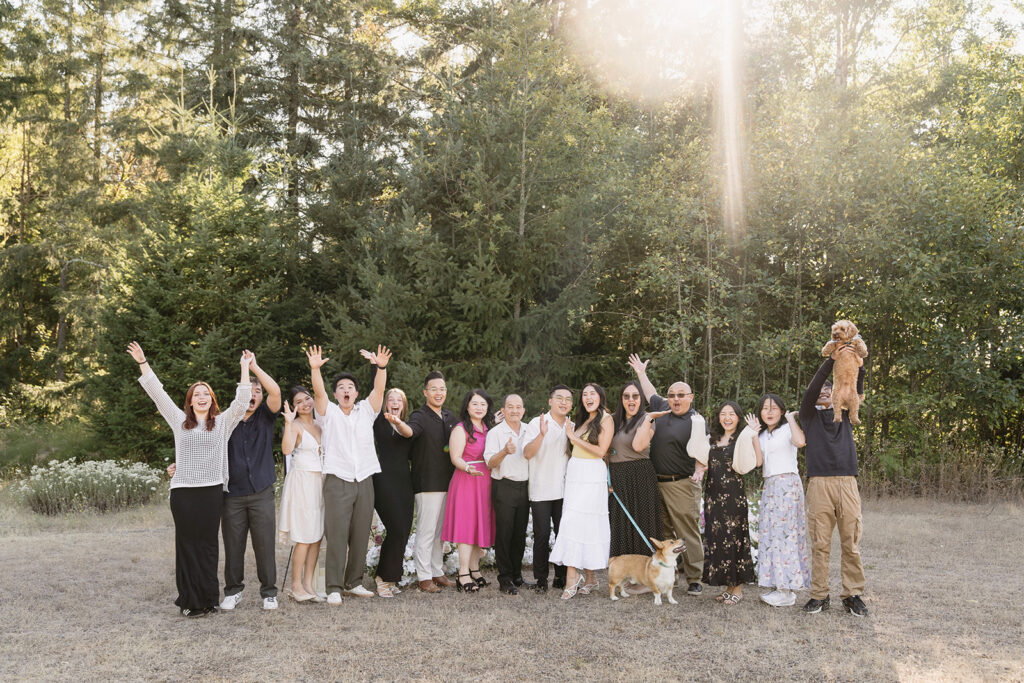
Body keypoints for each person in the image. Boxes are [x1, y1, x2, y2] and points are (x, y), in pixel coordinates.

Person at [128, 341, 252, 617]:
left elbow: (242, 402)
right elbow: (157, 394)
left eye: (205, 393)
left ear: (212, 399)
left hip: (210, 492)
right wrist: (142, 363)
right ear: (190, 400)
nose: (201, 397)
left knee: (207, 545)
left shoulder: (221, 423)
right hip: (183, 492)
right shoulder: (178, 420)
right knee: (187, 546)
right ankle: (190, 602)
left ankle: (209, 599)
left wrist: (244, 368)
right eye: (196, 394)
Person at [307, 344, 390, 604]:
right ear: (336, 393)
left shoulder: (366, 410)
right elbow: (318, 393)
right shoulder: (327, 413)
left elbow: (379, 390)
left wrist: (381, 367)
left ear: (356, 393)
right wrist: (315, 369)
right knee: (337, 534)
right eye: (341, 387)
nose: (346, 390)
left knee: (360, 532)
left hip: (364, 478)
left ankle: (353, 582)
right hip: (337, 479)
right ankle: (333, 587)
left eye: (350, 388)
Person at [627, 354, 709, 596]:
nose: (675, 399)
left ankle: (694, 578)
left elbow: (704, 452)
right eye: (672, 394)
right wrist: (641, 373)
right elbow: (651, 392)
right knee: (662, 534)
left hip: (682, 484)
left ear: (690, 398)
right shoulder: (662, 408)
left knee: (686, 533)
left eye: (681, 395)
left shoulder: (696, 420)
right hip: (656, 482)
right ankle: (665, 574)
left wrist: (700, 469)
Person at [800, 346, 869, 617]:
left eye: (829, 389)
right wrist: (831, 361)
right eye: (821, 391)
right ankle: (819, 595)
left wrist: (858, 364)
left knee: (851, 542)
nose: (824, 391)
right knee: (820, 542)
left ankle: (852, 595)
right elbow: (811, 390)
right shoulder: (809, 417)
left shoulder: (845, 413)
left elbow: (855, 387)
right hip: (819, 485)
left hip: (847, 483)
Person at [219, 354, 282, 612]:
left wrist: (254, 367)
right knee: (233, 546)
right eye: (250, 390)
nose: (255, 394)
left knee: (264, 544)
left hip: (261, 492)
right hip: (231, 494)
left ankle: (269, 593)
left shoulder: (266, 416)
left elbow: (275, 391)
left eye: (258, 391)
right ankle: (233, 591)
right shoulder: (225, 421)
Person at [550, 383, 613, 600]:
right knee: (580, 522)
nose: (588, 397)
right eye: (584, 394)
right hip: (575, 474)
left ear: (600, 397)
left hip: (592, 475)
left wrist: (573, 437)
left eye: (592, 393)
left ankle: (571, 577)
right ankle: (591, 578)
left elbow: (601, 451)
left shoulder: (606, 419)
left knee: (575, 522)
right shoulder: (582, 420)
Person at [751, 393, 810, 607]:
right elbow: (758, 463)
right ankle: (779, 585)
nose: (769, 412)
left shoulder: (787, 428)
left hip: (787, 484)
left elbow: (800, 442)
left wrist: (792, 418)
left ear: (782, 411)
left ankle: (787, 590)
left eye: (774, 408)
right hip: (770, 486)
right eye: (765, 408)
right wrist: (752, 435)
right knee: (771, 535)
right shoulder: (763, 435)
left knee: (787, 535)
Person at [406, 371, 459, 593]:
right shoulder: (419, 416)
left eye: (442, 389)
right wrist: (400, 425)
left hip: (449, 482)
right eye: (434, 389)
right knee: (427, 531)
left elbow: (466, 435)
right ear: (425, 392)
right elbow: (409, 432)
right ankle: (424, 576)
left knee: (440, 533)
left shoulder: (449, 417)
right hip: (427, 483)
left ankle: (437, 572)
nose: (439, 393)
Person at [702, 401, 757, 605]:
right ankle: (727, 586)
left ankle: (738, 588)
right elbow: (703, 463)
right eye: (723, 414)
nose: (727, 417)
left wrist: (754, 435)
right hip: (713, 496)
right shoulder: (712, 439)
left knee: (735, 539)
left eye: (731, 414)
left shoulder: (743, 438)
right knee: (718, 539)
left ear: (738, 417)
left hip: (734, 496)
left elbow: (757, 461)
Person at [442, 389, 496, 592]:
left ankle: (475, 570)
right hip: (467, 478)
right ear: (467, 406)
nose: (479, 408)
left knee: (479, 525)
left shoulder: (488, 428)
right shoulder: (460, 429)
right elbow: (455, 456)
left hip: (485, 481)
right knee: (466, 527)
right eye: (475, 404)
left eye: (483, 404)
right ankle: (462, 573)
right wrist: (467, 468)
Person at [522, 385, 573, 592]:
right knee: (542, 535)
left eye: (568, 399)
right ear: (550, 401)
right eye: (559, 398)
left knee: (563, 534)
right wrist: (542, 434)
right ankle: (541, 579)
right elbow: (526, 453)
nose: (563, 402)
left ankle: (560, 577)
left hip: (565, 490)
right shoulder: (537, 423)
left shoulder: (572, 425)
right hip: (541, 489)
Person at [277, 386, 325, 602]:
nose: (305, 403)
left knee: (316, 537)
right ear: (294, 406)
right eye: (299, 401)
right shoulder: (295, 425)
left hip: (321, 483)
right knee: (304, 537)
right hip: (302, 483)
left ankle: (309, 585)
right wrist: (288, 422)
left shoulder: (320, 424)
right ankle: (295, 586)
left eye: (307, 398)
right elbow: (286, 450)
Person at [608, 381, 664, 558]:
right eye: (626, 396)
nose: (631, 400)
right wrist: (606, 478)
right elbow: (605, 451)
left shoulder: (647, 419)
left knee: (643, 521)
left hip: (640, 474)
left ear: (641, 399)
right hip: (617, 475)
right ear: (621, 399)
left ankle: (645, 574)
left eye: (635, 396)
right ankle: (625, 572)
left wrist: (648, 419)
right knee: (621, 523)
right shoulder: (612, 420)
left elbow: (638, 446)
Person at [483, 394, 530, 595]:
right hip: (504, 486)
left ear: (523, 410)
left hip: (525, 486)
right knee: (504, 534)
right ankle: (505, 578)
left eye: (518, 407)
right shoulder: (495, 433)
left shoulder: (530, 430)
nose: (514, 410)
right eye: (510, 407)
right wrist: (504, 451)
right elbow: (489, 463)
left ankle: (517, 575)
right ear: (503, 411)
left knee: (520, 534)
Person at [371, 388, 415, 598]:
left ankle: (391, 578)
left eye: (400, 400)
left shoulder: (407, 426)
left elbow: (409, 434)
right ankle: (381, 578)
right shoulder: (379, 421)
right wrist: (377, 367)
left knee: (404, 531)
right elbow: (376, 391)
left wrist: (398, 422)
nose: (395, 402)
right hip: (383, 480)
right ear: (386, 403)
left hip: (404, 482)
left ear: (404, 405)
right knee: (396, 529)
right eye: (391, 399)